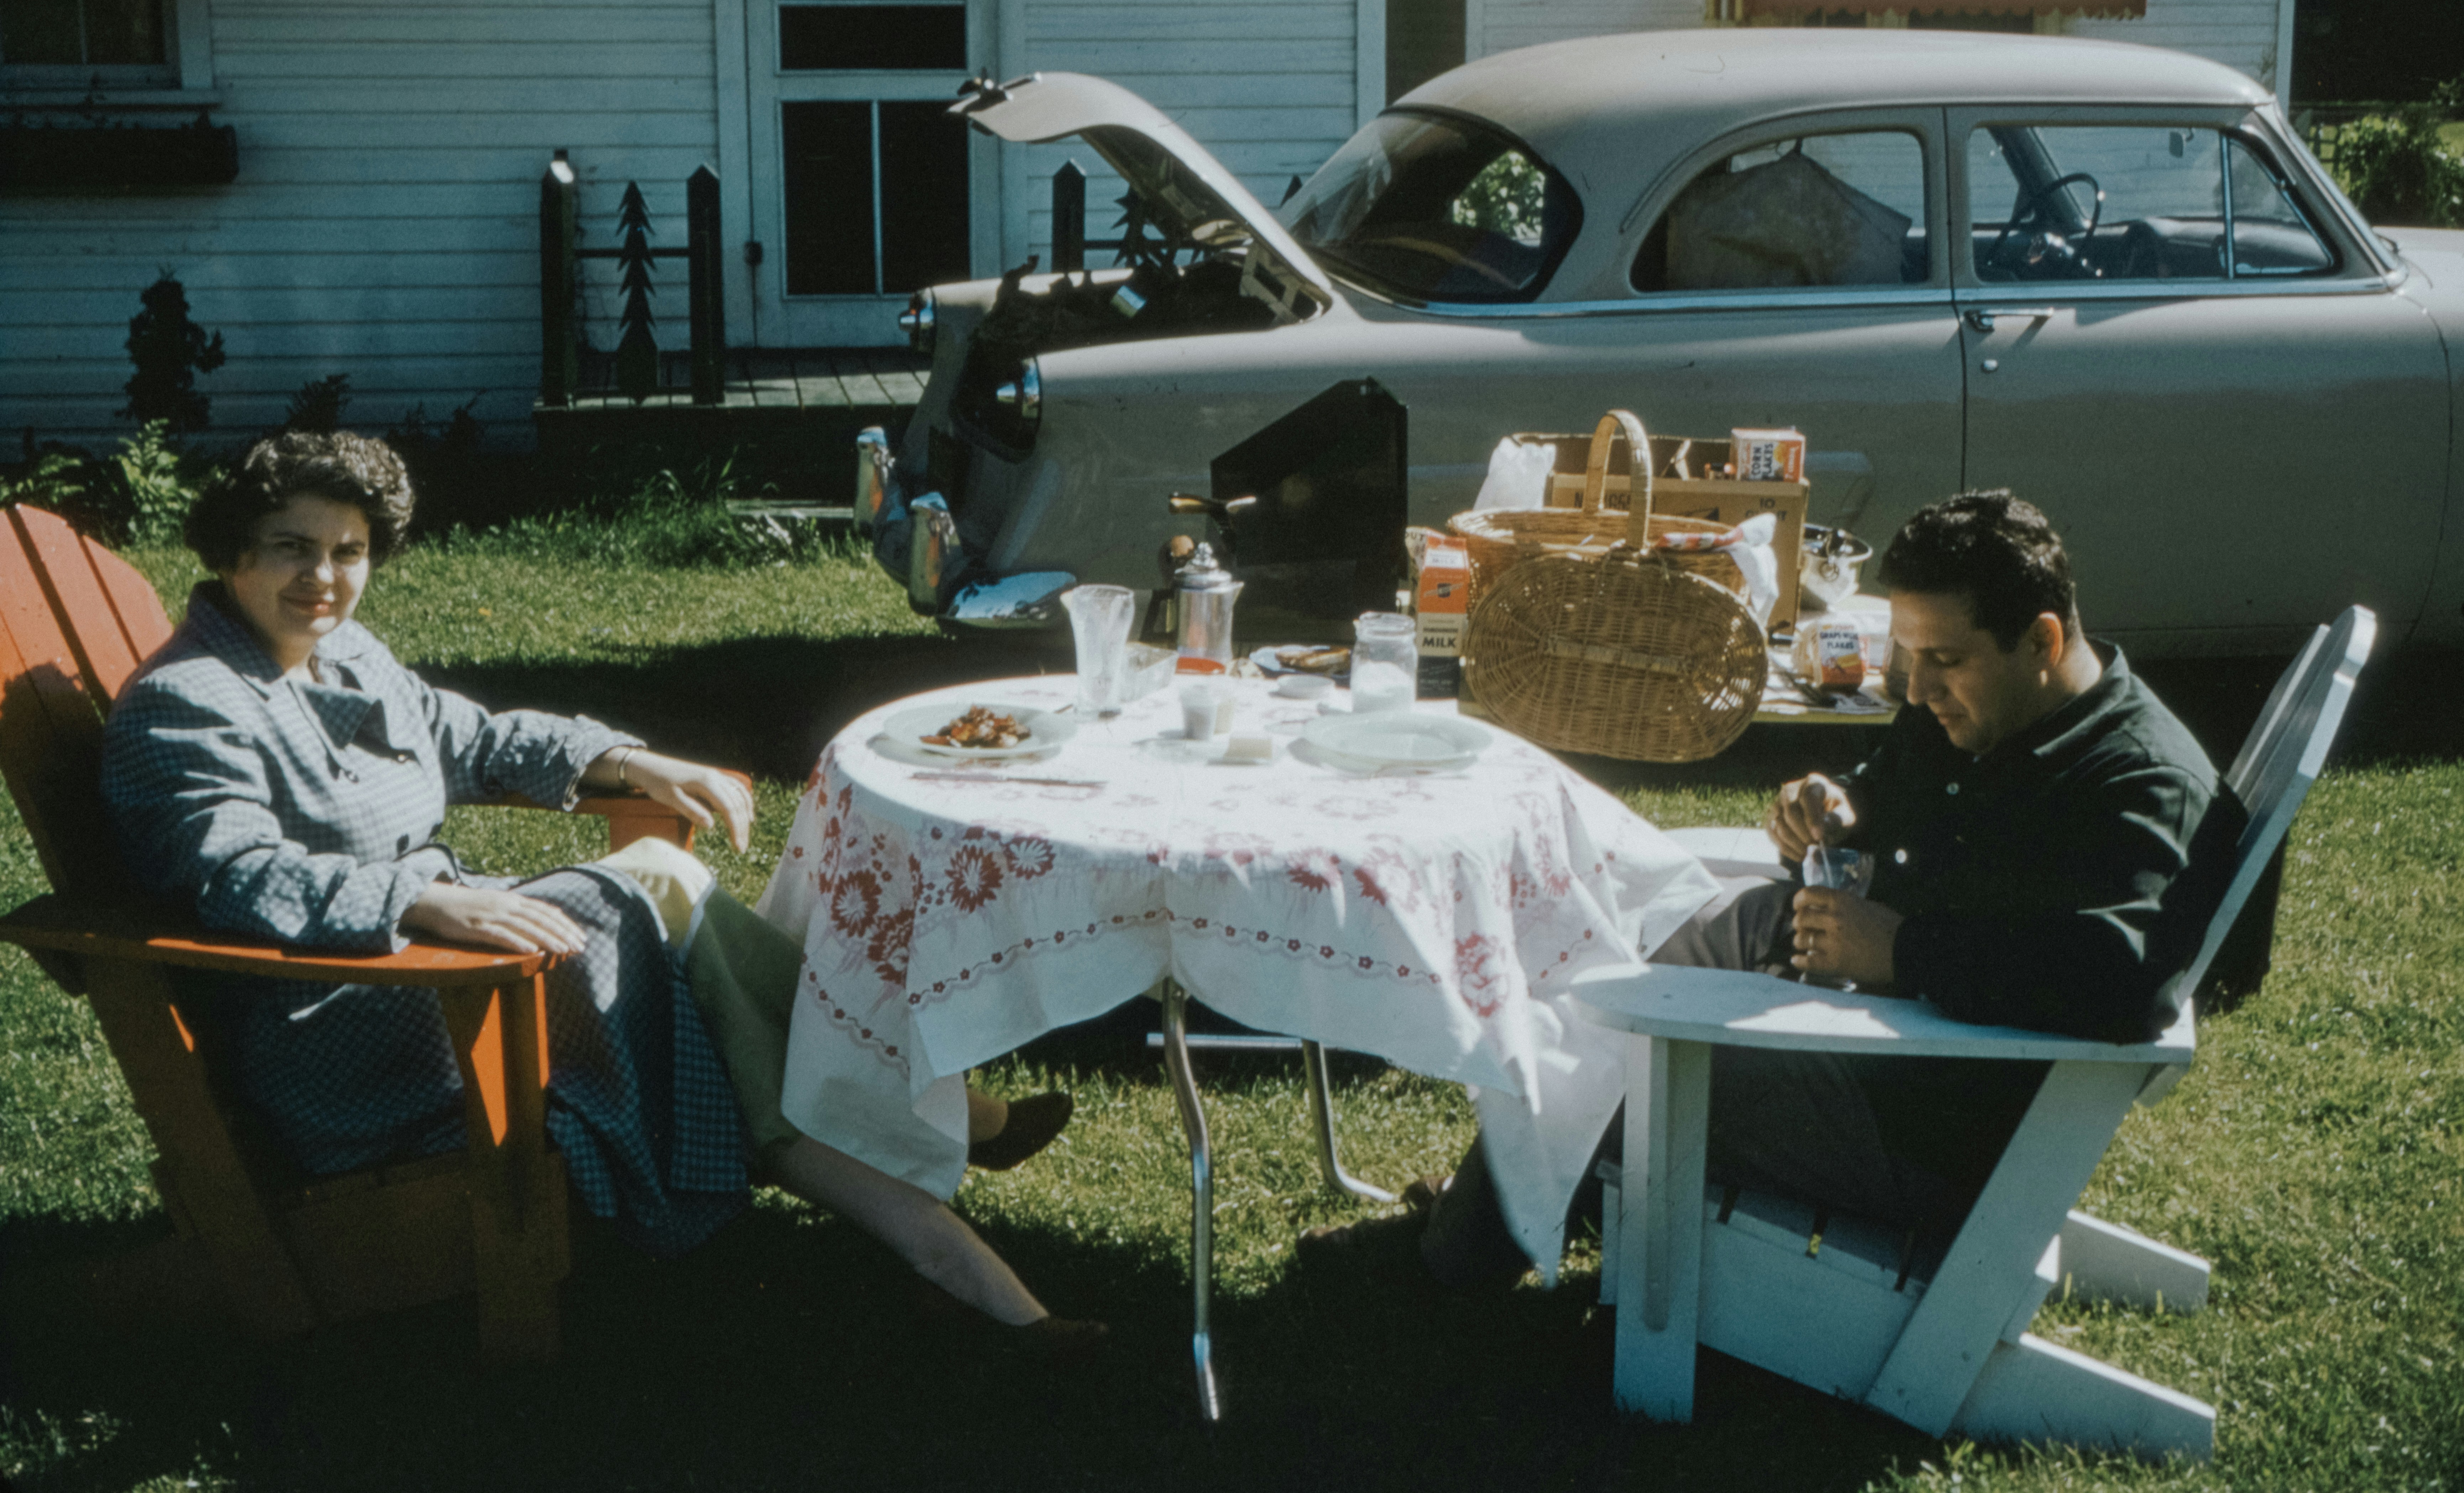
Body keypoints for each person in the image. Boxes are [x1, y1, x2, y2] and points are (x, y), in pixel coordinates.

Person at [100, 431, 1098, 1349]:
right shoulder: (187, 708)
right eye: (291, 548)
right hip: (343, 1028)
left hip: (435, 980)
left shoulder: (341, 654)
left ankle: (961, 1254)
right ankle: (950, 1143)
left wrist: (626, 760)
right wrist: (413, 904)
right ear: (232, 551)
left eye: (348, 551)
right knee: (648, 909)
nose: (323, 578)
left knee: (676, 916)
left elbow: (473, 740)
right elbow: (234, 874)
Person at [1303, 489, 2244, 1286]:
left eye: (1945, 661)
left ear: (2040, 638)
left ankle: (1458, 1254)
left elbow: (2122, 979)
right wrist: (1843, 804)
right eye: (1907, 658)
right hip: (1892, 1033)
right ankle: (1515, 1200)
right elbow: (1902, 783)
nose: (1917, 690)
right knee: (1629, 938)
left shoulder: (2136, 781)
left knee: (1617, 1041)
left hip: (1927, 1121)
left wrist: (1898, 953)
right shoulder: (2005, 711)